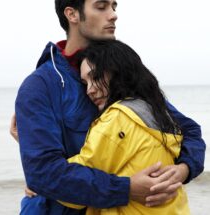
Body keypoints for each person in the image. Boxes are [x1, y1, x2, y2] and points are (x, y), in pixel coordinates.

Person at [13, 0, 206, 214]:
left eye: (114, 7)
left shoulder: (119, 75)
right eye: (101, 6)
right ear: (72, 14)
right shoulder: (40, 86)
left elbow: (187, 130)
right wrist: (127, 189)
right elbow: (43, 174)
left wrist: (182, 170)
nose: (113, 15)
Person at [57, 39, 191, 214]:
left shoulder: (117, 118)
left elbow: (76, 184)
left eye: (95, 77)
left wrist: (41, 182)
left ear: (118, 72)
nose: (89, 89)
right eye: (85, 83)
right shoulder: (158, 111)